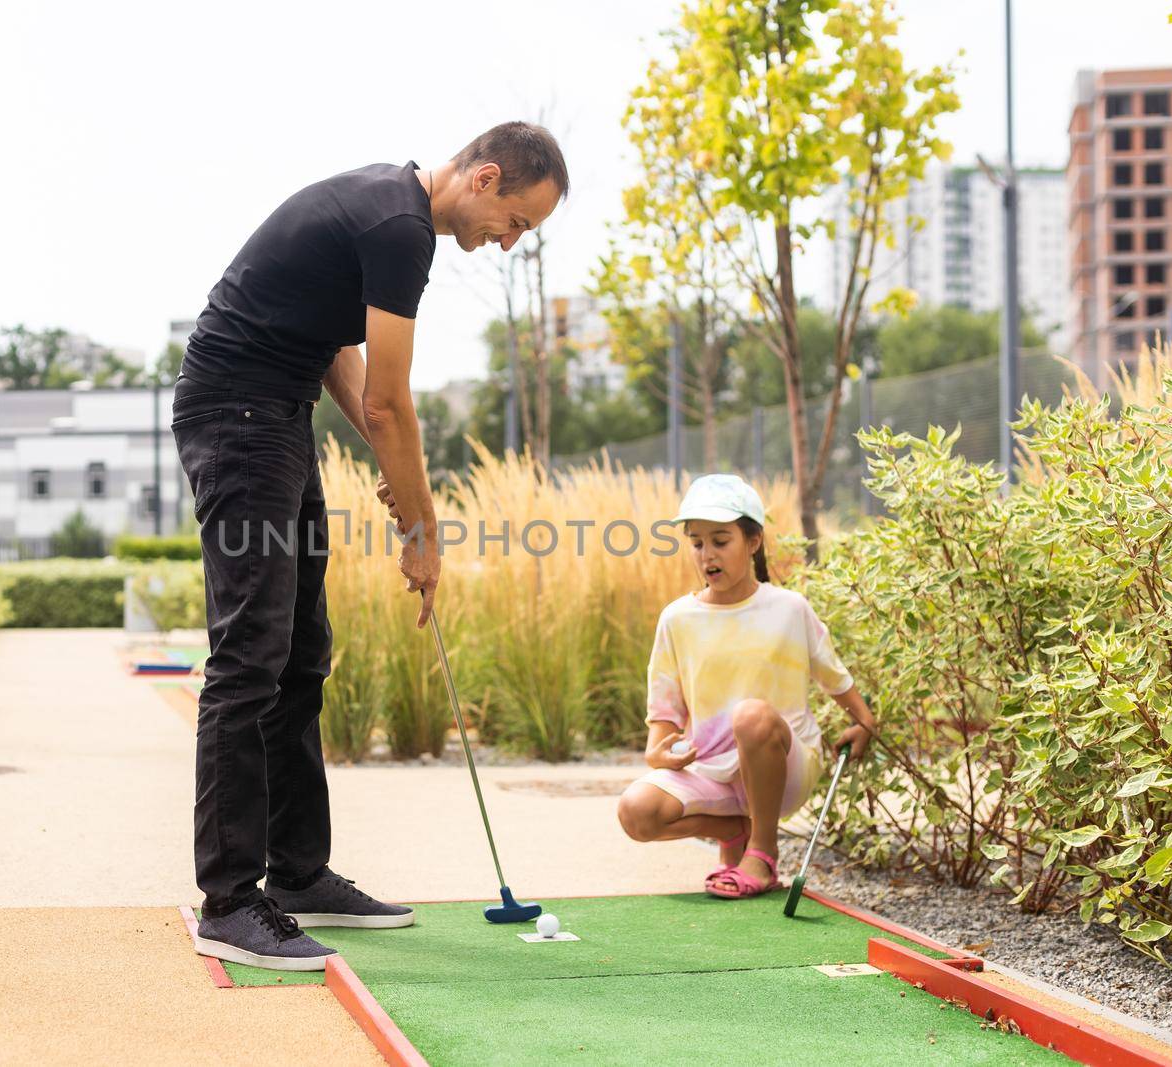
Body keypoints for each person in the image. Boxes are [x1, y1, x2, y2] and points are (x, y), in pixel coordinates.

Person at [172, 123, 568, 970]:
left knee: (302, 653)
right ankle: (231, 901)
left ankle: (298, 873)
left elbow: (341, 357)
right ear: (485, 177)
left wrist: (388, 463)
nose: (508, 242)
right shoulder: (400, 229)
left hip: (273, 415)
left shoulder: (391, 208)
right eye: (516, 222)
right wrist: (421, 529)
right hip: (237, 416)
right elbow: (392, 401)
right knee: (249, 656)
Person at [614, 474, 877, 898]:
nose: (706, 555)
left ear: (753, 542)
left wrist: (863, 722)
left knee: (751, 715)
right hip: (711, 769)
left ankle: (763, 852)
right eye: (697, 543)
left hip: (785, 766)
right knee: (635, 812)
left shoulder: (789, 608)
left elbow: (835, 677)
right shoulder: (677, 619)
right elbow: (662, 715)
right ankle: (734, 830)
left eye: (721, 541)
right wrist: (656, 752)